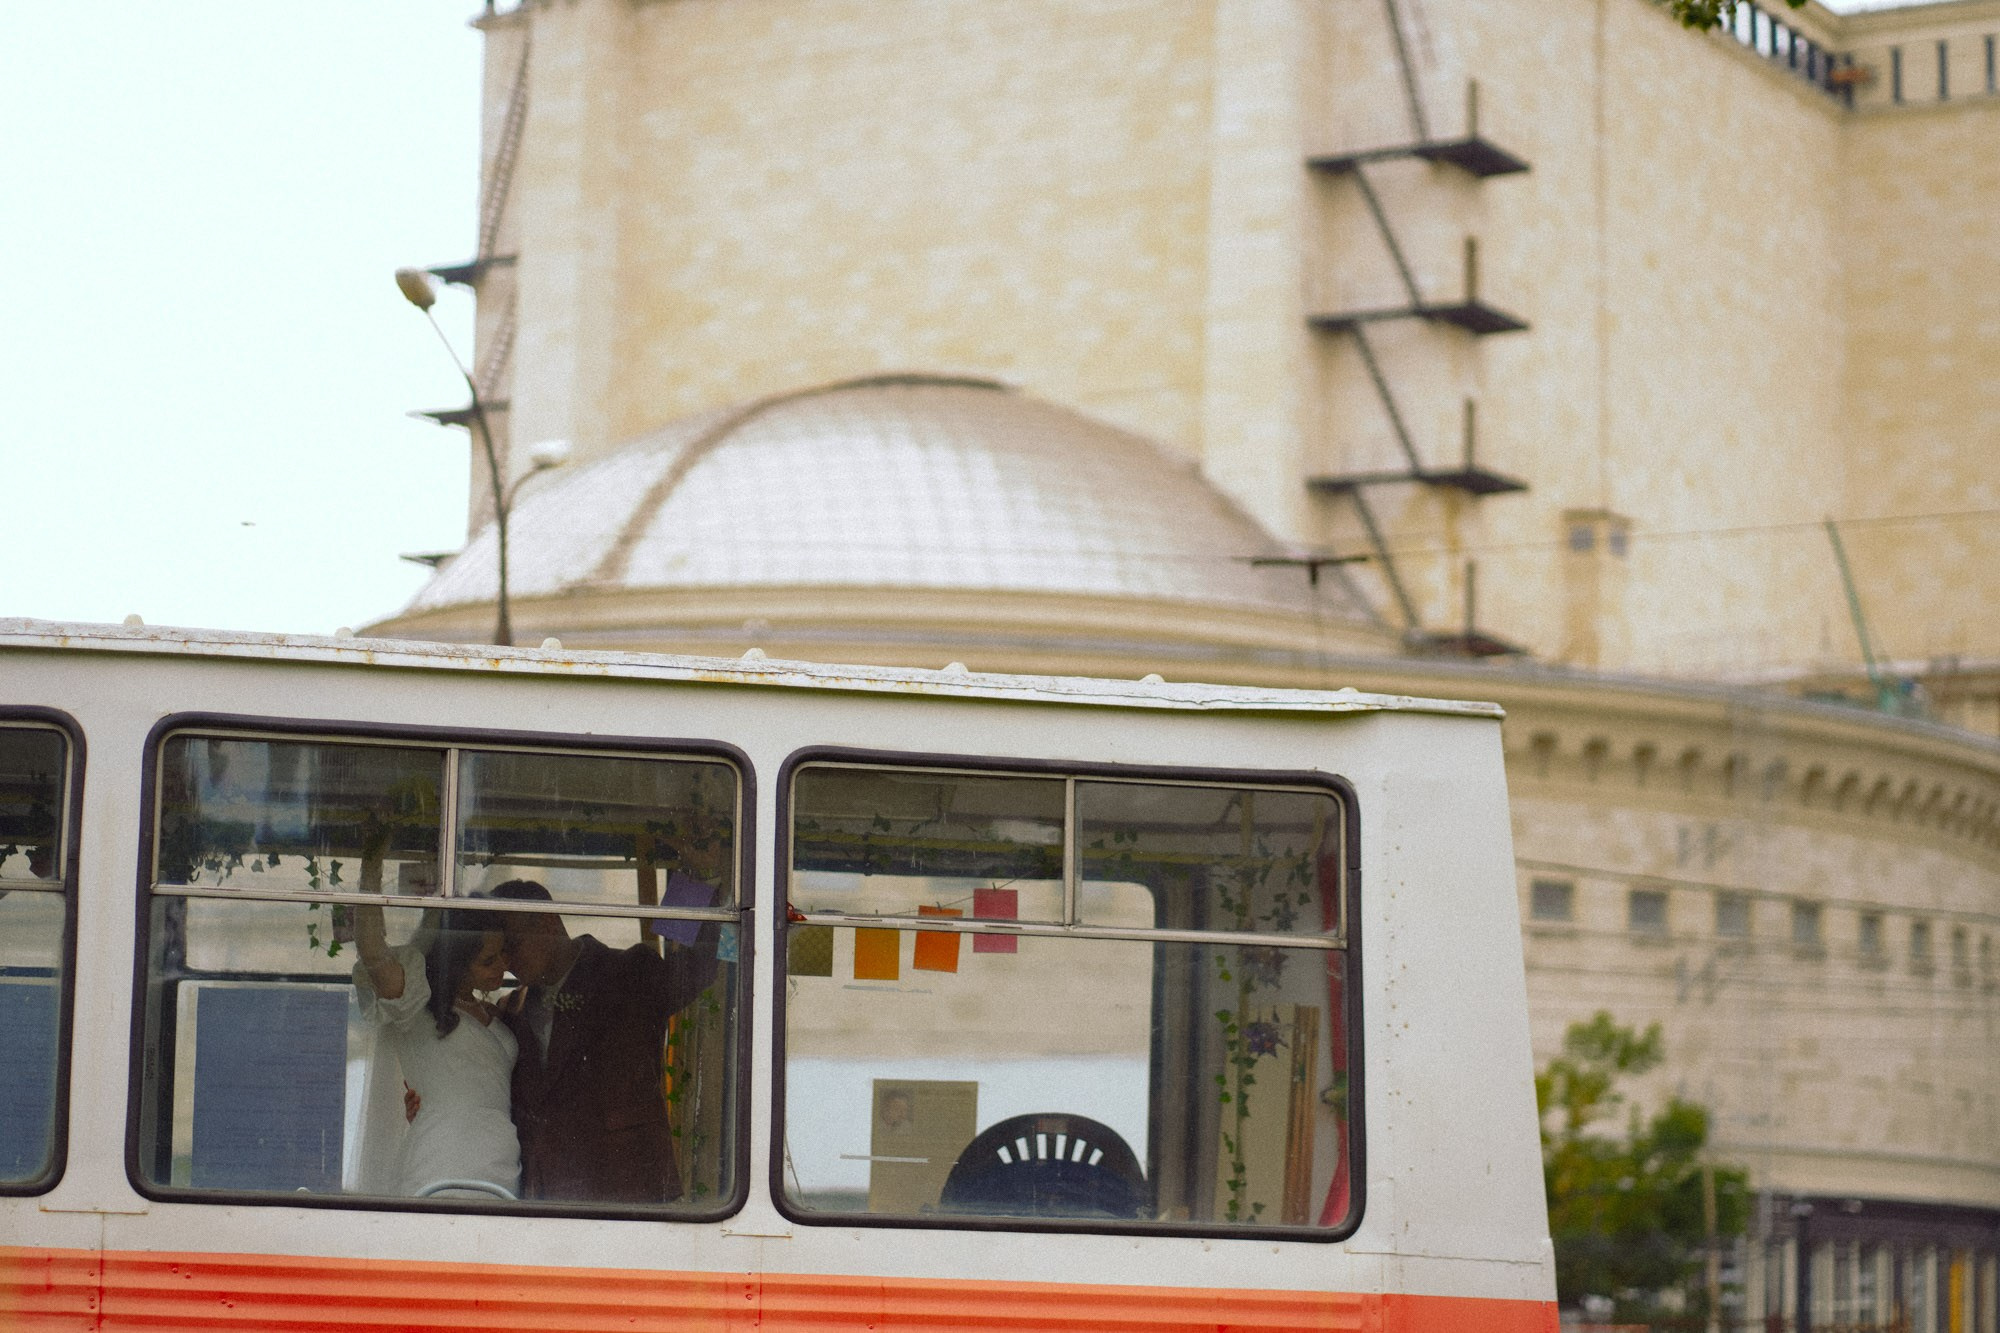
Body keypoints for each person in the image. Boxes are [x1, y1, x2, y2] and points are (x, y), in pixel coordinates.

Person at [488, 878, 719, 1205]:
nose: (507, 960)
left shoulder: (628, 972)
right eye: (499, 952)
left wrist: (699, 876)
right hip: (542, 1202)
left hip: (628, 1194)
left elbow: (700, 967)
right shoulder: (508, 1011)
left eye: (512, 944)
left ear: (548, 921)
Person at [353, 885, 521, 1201]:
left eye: (504, 954)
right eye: (488, 960)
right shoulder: (416, 1005)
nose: (501, 966)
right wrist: (373, 863)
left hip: (501, 1163)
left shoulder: (491, 1011)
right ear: (457, 961)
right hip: (438, 1162)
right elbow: (372, 949)